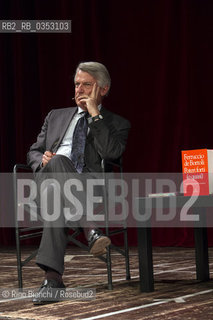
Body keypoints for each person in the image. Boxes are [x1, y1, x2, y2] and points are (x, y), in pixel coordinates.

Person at [27, 61, 131, 304]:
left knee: (58, 197)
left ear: (103, 90)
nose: (80, 90)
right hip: (46, 183)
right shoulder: (55, 116)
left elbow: (110, 154)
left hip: (88, 191)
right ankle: (91, 230)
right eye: (77, 84)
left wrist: (95, 114)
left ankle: (52, 280)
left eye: (87, 85)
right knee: (58, 163)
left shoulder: (116, 123)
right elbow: (33, 151)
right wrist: (41, 160)